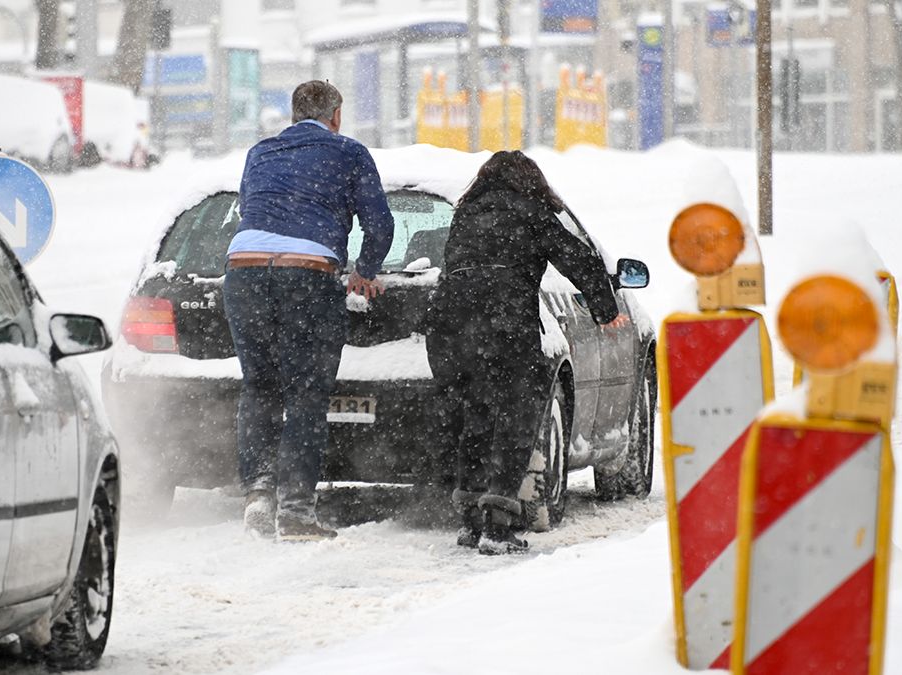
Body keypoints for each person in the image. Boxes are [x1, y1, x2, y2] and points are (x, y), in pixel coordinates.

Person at [224, 80, 395, 541]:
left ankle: (258, 494)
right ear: (336, 115)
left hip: (243, 269)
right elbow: (379, 223)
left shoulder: (260, 153)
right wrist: (366, 268)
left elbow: (251, 207)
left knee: (259, 385)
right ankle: (296, 511)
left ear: (294, 113)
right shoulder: (349, 153)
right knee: (305, 393)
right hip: (307, 271)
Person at [426, 150, 620, 555]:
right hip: (505, 322)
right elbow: (577, 259)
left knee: (475, 417)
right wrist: (605, 309)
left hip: (453, 322)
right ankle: (497, 527)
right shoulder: (530, 210)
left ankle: (470, 520)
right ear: (531, 180)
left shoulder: (467, 213)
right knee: (516, 417)